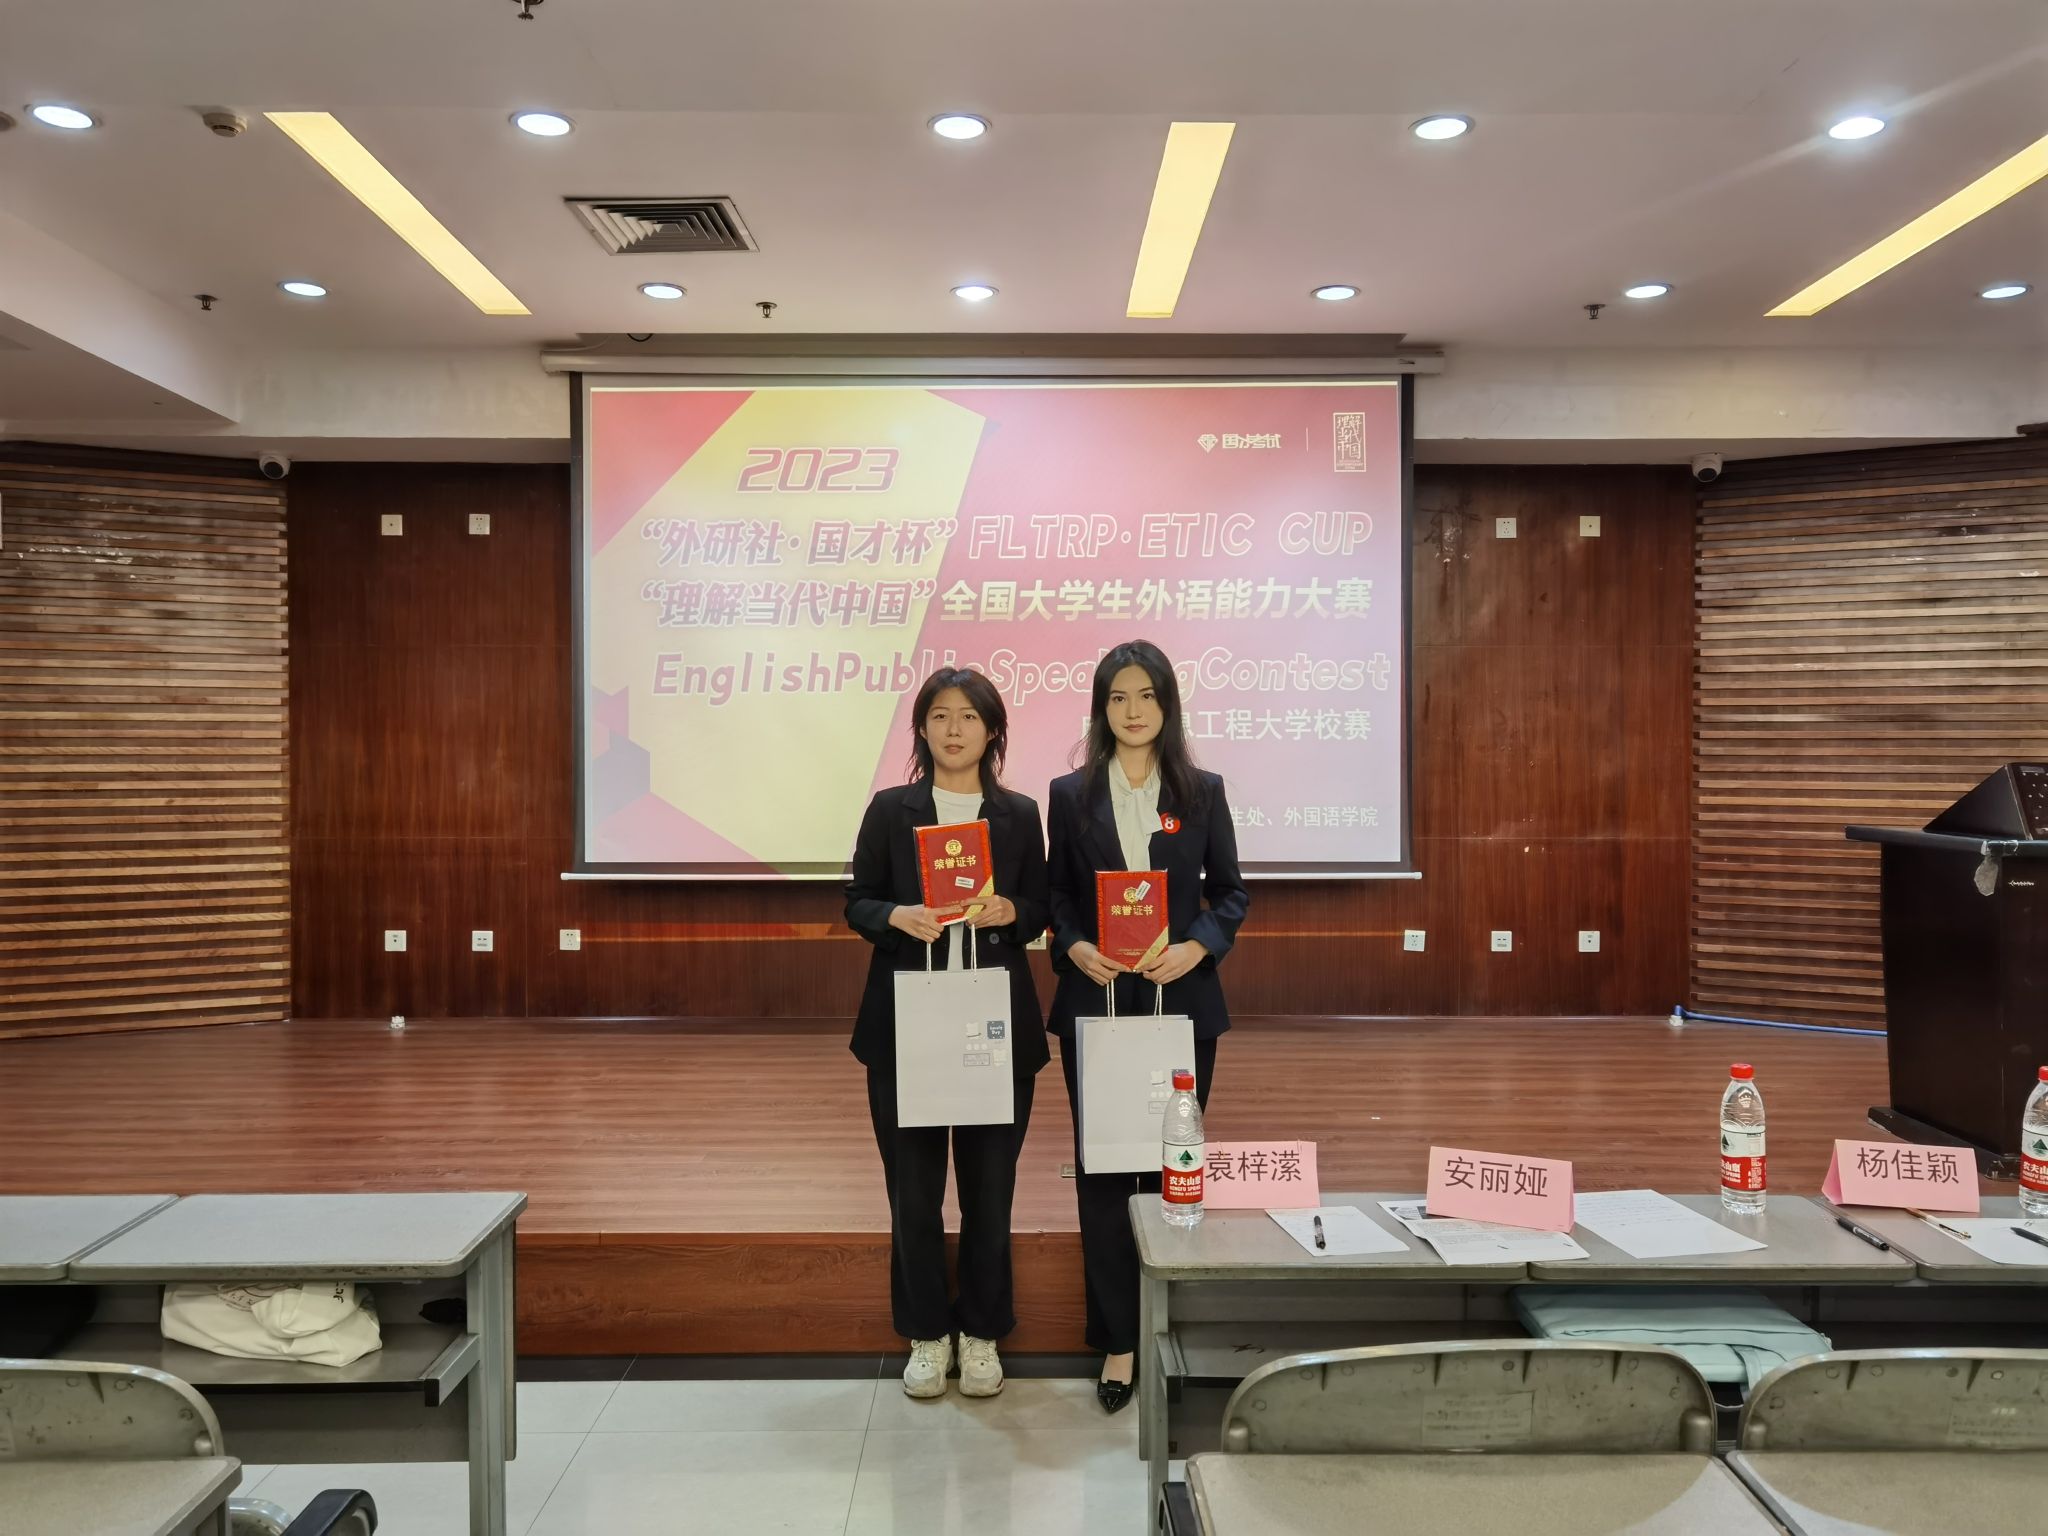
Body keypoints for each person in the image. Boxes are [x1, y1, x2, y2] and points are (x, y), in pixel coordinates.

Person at [1046, 639, 1249, 1413]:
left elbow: (1231, 893)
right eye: (1118, 697)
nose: (1133, 711)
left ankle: (1171, 1326)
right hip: (1098, 1003)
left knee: (1173, 1170)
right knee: (1104, 1175)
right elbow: (1060, 896)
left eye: (1146, 696)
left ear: (1168, 705)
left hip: (1180, 1004)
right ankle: (1118, 1342)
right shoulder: (1070, 794)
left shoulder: (1202, 791)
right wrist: (1074, 946)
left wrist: (1197, 946)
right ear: (1102, 709)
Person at [844, 667, 1050, 1400]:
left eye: (968, 716)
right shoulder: (890, 809)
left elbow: (1041, 903)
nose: (954, 728)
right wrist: (895, 916)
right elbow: (857, 899)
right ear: (922, 728)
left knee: (991, 1192)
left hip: (993, 1024)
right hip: (909, 1028)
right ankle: (927, 1334)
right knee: (914, 1191)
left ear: (992, 731)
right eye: (939, 715)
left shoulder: (1019, 814)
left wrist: (1012, 912)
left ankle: (983, 1333)